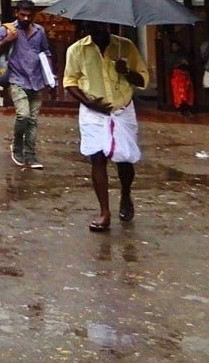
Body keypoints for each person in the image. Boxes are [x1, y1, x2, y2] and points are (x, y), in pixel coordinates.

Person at [63, 20, 149, 232]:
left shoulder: (126, 46)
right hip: (93, 111)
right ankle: (104, 212)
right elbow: (69, 81)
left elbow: (143, 79)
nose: (99, 31)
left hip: (122, 109)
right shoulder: (76, 50)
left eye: (102, 26)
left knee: (124, 160)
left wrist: (126, 71)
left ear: (108, 25)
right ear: (87, 29)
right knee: (97, 158)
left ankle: (126, 194)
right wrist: (89, 102)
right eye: (93, 28)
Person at [0, 0, 51, 168]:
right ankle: (17, 146)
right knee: (23, 115)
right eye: (23, 15)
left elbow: (45, 52)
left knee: (32, 120)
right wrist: (7, 40)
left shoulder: (40, 31)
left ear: (34, 16)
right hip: (16, 80)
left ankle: (31, 155)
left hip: (36, 81)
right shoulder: (7, 29)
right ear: (16, 13)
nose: (26, 18)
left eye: (29, 16)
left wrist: (49, 75)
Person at [167, 40, 194, 117]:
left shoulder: (184, 54)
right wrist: (180, 63)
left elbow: (190, 64)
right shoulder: (171, 56)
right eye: (173, 46)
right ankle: (180, 110)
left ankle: (188, 110)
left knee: (188, 94)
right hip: (177, 76)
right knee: (178, 95)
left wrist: (187, 63)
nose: (174, 48)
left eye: (176, 46)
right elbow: (170, 66)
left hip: (185, 75)